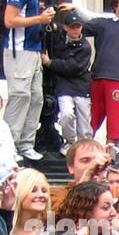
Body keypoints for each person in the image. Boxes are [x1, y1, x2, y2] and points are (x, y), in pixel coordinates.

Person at [56, 0, 119, 151]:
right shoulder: (103, 24)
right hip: (97, 79)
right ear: (115, 6)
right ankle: (84, 152)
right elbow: (78, 28)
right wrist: (67, 15)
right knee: (90, 122)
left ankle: (112, 160)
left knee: (116, 127)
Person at [2, 0, 56, 161]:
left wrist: (41, 15)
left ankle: (25, 144)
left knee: (36, 98)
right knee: (20, 96)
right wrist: (40, 19)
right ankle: (8, 145)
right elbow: (9, 20)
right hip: (19, 49)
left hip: (32, 50)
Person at [43, 12, 93, 146]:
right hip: (63, 87)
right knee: (66, 115)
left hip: (82, 88)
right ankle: (70, 142)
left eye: (78, 27)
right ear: (66, 27)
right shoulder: (58, 39)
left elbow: (74, 67)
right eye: (73, 27)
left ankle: (85, 147)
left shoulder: (85, 47)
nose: (76, 30)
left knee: (84, 125)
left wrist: (51, 63)